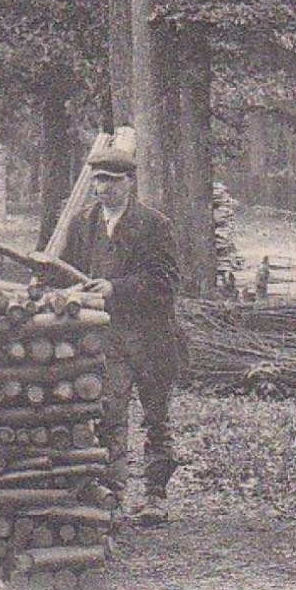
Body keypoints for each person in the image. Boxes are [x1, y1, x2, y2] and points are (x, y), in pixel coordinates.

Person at [56, 147, 188, 506]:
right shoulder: (83, 223)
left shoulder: (154, 224)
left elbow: (165, 281)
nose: (103, 188)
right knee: (109, 414)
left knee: (156, 419)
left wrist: (116, 287)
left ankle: (155, 495)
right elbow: (64, 270)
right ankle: (113, 494)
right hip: (105, 338)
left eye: (112, 181)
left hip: (150, 336)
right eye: (98, 180)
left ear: (129, 182)